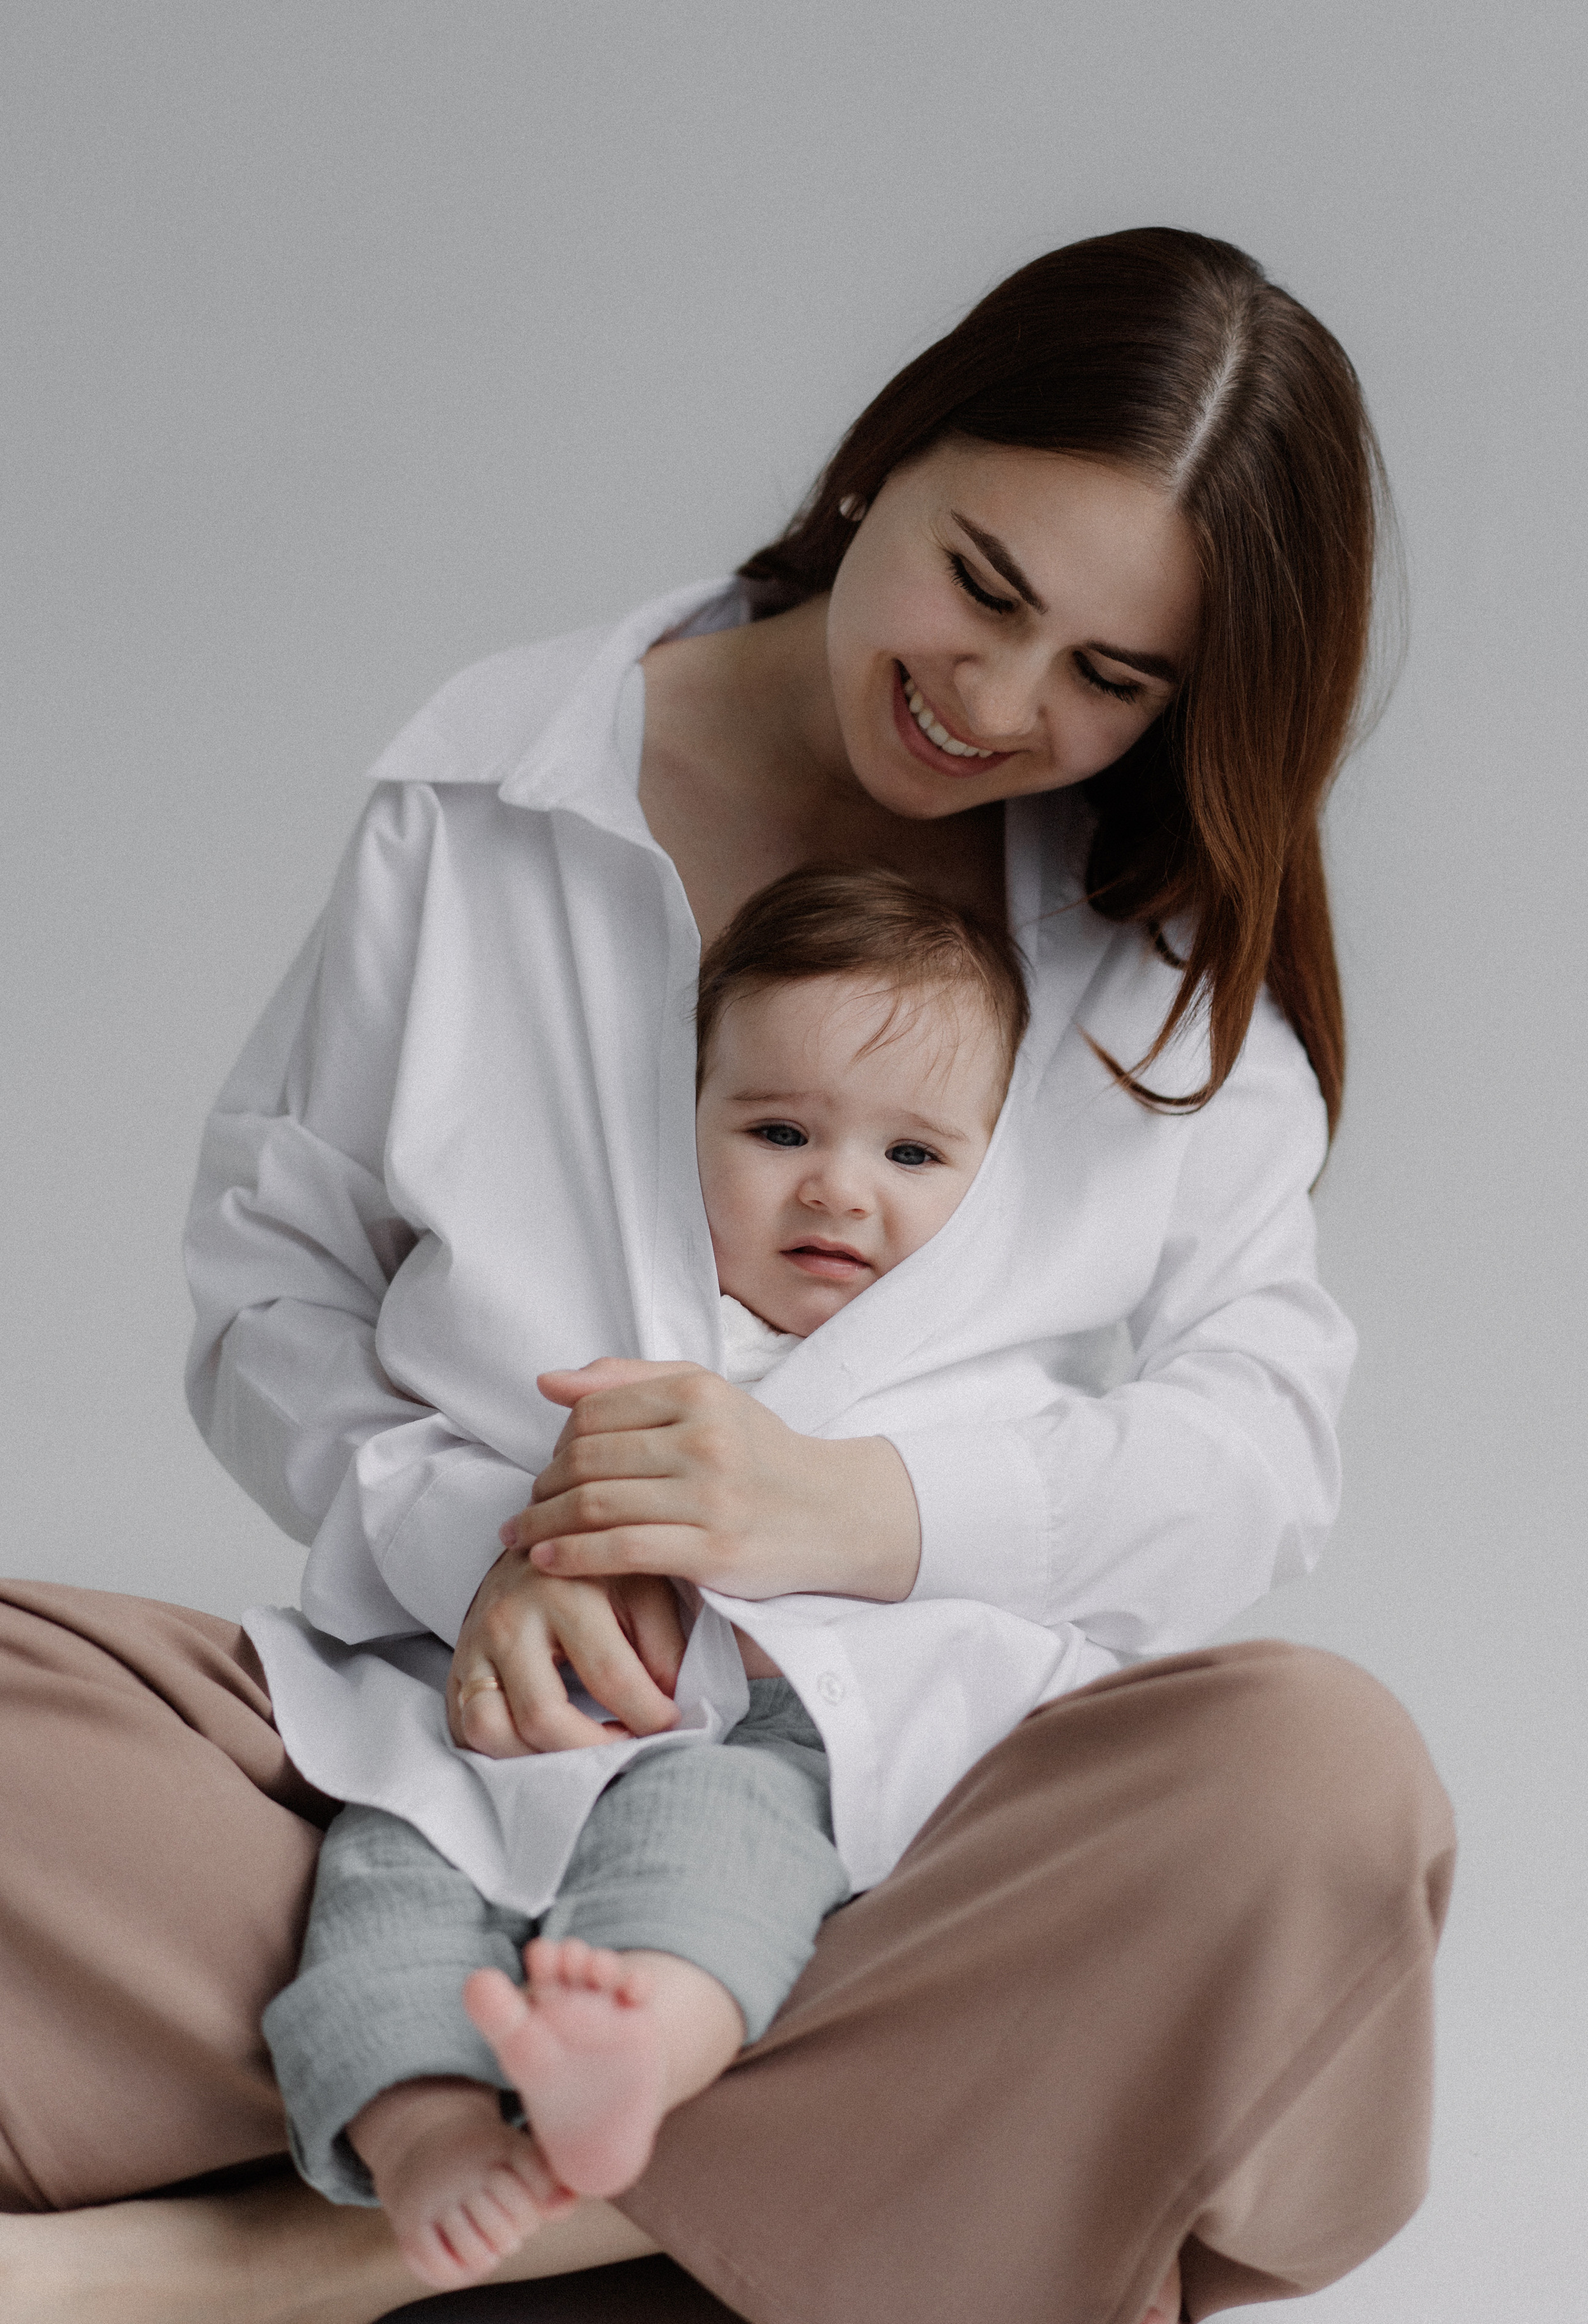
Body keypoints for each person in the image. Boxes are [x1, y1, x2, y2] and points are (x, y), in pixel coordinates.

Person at [0, 227, 1455, 2324]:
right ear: (889, 460)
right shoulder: (488, 802)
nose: (1000, 704)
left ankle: (310, 2253)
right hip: (444, 1750)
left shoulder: (1165, 967)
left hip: (916, 1840)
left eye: (1112, 681)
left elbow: (1257, 1450)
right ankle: (885, 2175)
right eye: (984, 585)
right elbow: (273, 1287)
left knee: (1318, 1792)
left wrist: (858, 1516)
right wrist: (490, 1546)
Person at [264, 864, 1034, 2294]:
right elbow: (426, 1422)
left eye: (912, 1158)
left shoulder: (972, 1368)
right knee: (387, 1868)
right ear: (683, 1123)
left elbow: (1014, 1571)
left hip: (754, 1726)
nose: (836, 1188)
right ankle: (422, 2133)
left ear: (992, 1180)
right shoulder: (588, 1313)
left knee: (721, 1842)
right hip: (511, 1706)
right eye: (778, 1128)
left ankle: (640, 2049)